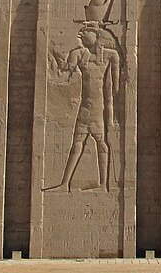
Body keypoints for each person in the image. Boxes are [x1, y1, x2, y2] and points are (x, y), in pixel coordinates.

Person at [44, 25, 121, 192]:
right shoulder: (79, 54)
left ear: (96, 35)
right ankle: (65, 184)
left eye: (86, 32)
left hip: (98, 109)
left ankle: (103, 184)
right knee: (77, 144)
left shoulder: (110, 55)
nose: (81, 35)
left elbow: (113, 87)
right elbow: (65, 71)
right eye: (81, 33)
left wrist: (112, 116)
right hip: (85, 108)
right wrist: (54, 58)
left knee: (100, 143)